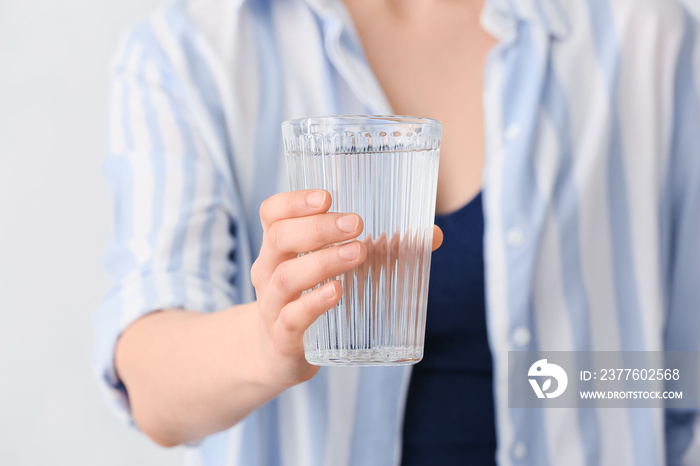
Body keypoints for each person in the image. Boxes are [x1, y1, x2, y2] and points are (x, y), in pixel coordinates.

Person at [94, 0, 700, 464]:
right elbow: (152, 387)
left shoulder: (642, 34)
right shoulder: (191, 50)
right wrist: (266, 340)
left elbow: (681, 375)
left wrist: (552, 377)